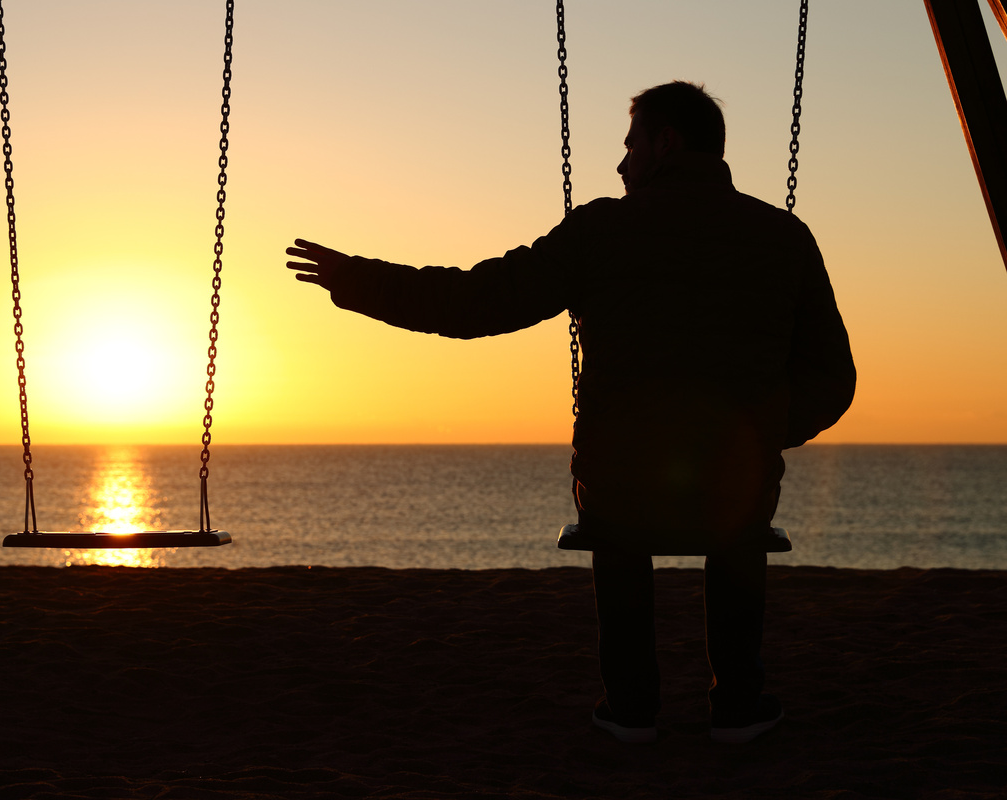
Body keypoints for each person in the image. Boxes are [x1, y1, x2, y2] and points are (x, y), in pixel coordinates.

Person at [286, 81, 855, 745]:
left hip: (623, 487)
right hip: (735, 486)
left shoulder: (602, 232)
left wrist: (360, 281)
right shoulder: (783, 237)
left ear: (666, 143)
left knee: (617, 501)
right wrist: (763, 434)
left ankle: (632, 708)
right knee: (736, 499)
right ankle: (737, 703)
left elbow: (477, 302)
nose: (621, 166)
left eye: (631, 145)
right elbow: (834, 379)